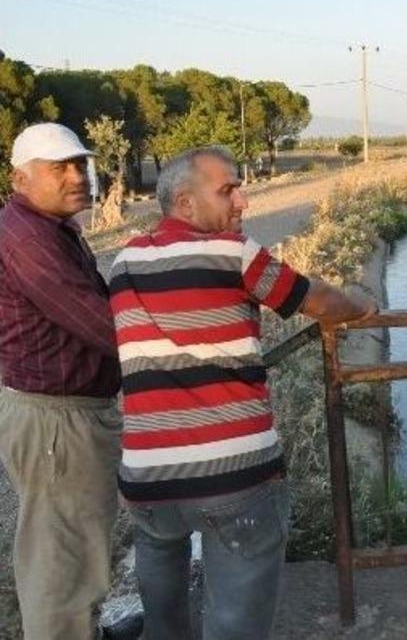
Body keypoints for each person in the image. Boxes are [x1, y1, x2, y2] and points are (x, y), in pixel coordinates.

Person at [108, 145, 377, 638]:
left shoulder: (123, 261)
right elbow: (319, 300)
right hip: (233, 479)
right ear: (185, 204)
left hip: (148, 484)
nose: (244, 201)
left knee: (164, 624)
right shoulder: (234, 253)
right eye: (228, 189)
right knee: (236, 628)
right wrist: (361, 306)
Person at [0, 123, 139, 639]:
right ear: (20, 178)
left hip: (64, 414)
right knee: (61, 557)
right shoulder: (29, 240)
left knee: (73, 544)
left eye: (80, 164)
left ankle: (87, 630)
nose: (76, 176)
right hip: (57, 421)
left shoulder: (48, 228)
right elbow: (101, 324)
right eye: (58, 167)